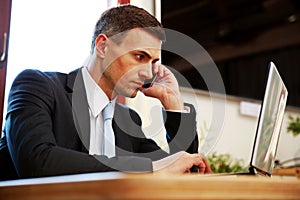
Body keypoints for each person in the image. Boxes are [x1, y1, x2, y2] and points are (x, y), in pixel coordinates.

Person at [0, 5, 211, 180]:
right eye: (139, 57)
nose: (148, 73)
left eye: (153, 62)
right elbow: (37, 162)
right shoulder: (37, 86)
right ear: (102, 46)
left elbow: (184, 172)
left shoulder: (129, 120)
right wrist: (151, 167)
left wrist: (173, 103)